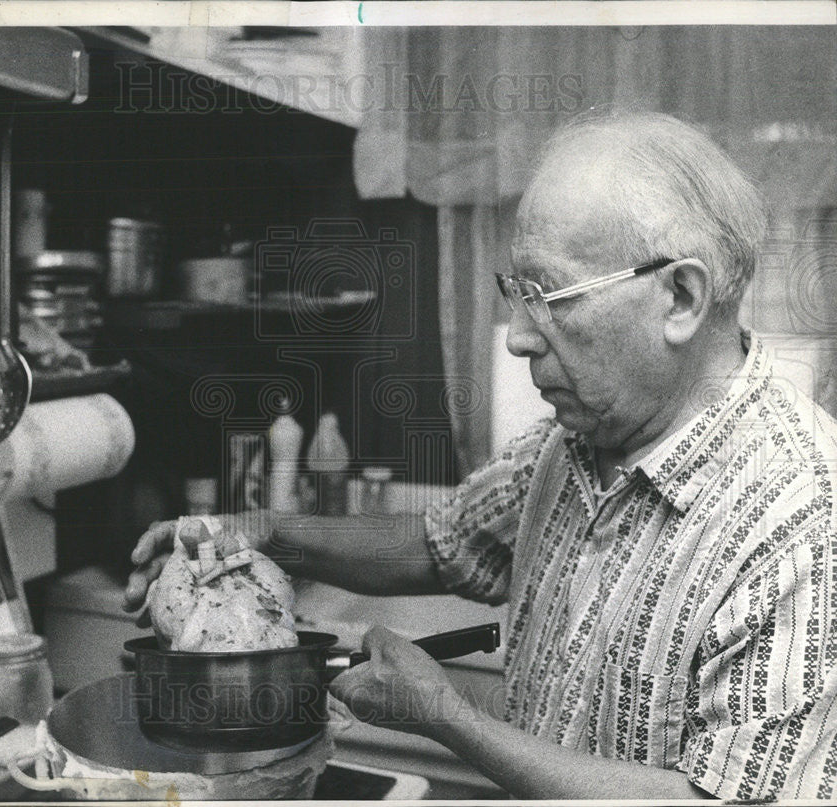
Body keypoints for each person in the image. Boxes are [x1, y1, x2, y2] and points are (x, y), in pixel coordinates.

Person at [124, 111, 837, 801]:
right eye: (514, 293)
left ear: (680, 296)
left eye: (549, 296)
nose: (517, 337)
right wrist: (262, 534)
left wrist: (447, 715)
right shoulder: (578, 440)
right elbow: (446, 543)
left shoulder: (801, 517)